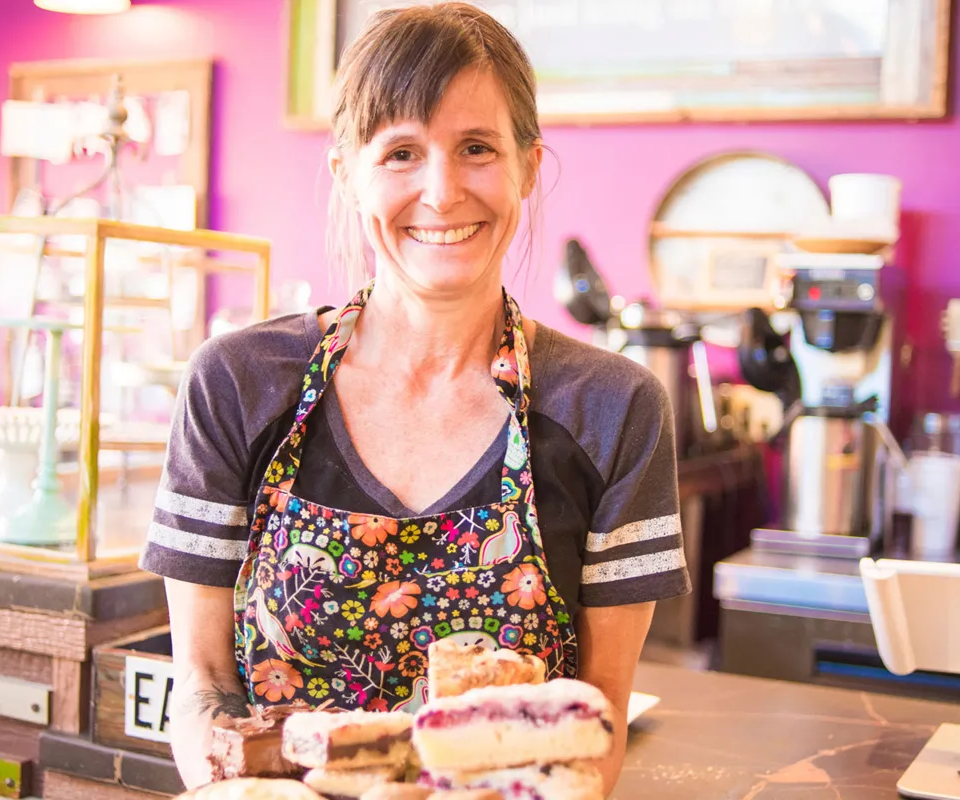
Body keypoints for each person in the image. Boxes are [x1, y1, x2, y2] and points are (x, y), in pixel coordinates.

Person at [139, 2, 690, 795]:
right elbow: (202, 683)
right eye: (401, 152)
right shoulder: (237, 383)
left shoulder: (613, 408)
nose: (441, 191)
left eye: (476, 148)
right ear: (346, 172)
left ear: (529, 166)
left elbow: (591, 724)